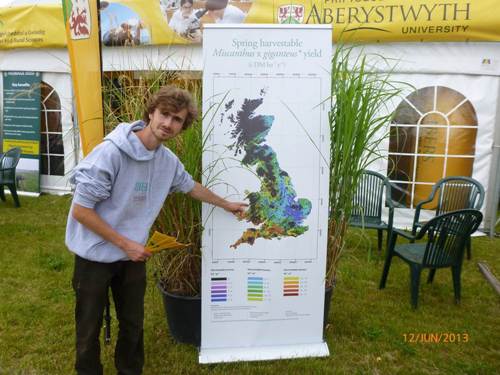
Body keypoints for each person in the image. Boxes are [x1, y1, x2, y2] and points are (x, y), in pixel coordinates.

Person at [66, 85, 247, 375]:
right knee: (88, 327)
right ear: (151, 112)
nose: (168, 124)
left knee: (133, 324)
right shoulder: (111, 153)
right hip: (94, 255)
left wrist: (225, 204)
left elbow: (190, 187)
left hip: (131, 257)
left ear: (183, 125)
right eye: (164, 114)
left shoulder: (167, 162)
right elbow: (81, 211)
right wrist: (126, 244)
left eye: (177, 119)